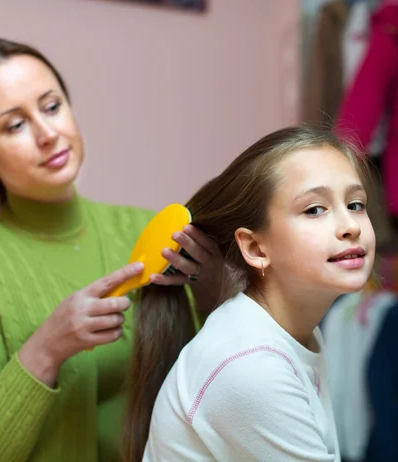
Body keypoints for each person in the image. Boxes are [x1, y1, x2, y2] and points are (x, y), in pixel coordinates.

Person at [0, 34, 224, 462]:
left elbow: (221, 377)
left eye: (51, 106)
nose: (48, 133)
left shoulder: (143, 229)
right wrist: (45, 350)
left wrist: (216, 293)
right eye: (15, 124)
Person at [123, 126, 377, 461]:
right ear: (256, 248)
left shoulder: (297, 334)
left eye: (356, 204)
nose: (352, 226)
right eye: (315, 209)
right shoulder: (252, 365)